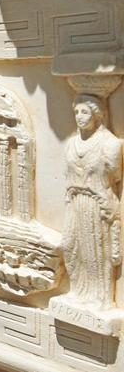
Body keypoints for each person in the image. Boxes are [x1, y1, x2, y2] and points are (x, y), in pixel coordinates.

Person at [63, 94, 122, 309]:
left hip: (96, 204)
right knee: (70, 246)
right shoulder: (70, 143)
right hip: (74, 202)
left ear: (96, 114)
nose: (79, 116)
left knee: (97, 251)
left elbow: (114, 176)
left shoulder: (110, 144)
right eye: (77, 112)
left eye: (85, 112)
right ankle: (77, 291)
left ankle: (101, 299)